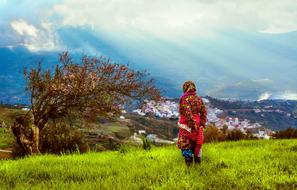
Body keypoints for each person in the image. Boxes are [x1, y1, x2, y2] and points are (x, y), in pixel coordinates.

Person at [177, 81, 207, 166]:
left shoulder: (184, 99)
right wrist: (201, 124)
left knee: (186, 144)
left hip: (186, 125)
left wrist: (192, 126)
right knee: (197, 143)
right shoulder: (199, 98)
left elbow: (188, 113)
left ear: (185, 88)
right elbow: (204, 112)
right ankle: (198, 166)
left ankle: (189, 168)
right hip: (197, 124)